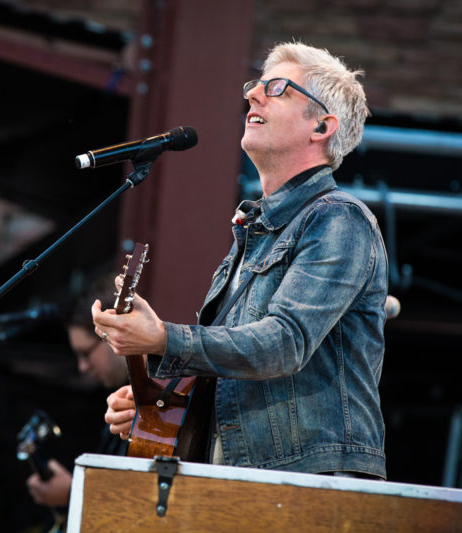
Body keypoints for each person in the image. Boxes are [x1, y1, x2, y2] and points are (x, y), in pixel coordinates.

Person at [92, 41, 388, 479]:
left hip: (313, 480)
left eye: (278, 88)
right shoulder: (253, 233)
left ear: (323, 126)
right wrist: (159, 401)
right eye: (256, 86)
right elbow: (237, 368)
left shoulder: (339, 219)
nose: (252, 95)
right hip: (245, 477)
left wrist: (162, 338)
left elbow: (283, 344)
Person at [25, 271, 129, 507]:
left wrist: (74, 493)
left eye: (85, 353)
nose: (82, 367)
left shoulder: (158, 400)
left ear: (114, 333)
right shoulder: (119, 397)